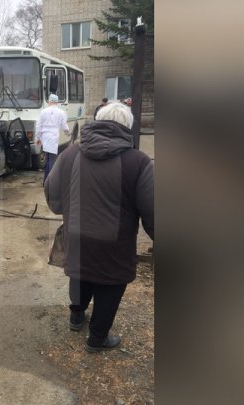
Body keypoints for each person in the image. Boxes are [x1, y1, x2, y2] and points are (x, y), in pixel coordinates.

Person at [44, 102, 154, 352]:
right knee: (110, 283)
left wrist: (64, 210)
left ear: (98, 121)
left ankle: (76, 316)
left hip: (76, 236)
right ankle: (97, 338)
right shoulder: (138, 162)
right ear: (127, 127)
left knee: (79, 272)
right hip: (115, 244)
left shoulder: (70, 154)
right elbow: (152, 208)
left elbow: (52, 192)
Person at [35, 94, 70, 184]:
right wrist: (68, 133)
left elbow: (38, 126)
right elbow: (64, 126)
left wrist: (38, 137)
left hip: (45, 137)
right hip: (54, 137)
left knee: (48, 159)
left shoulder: (43, 111)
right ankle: (51, 182)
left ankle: (46, 181)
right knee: (52, 160)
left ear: (49, 101)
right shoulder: (61, 112)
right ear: (57, 102)